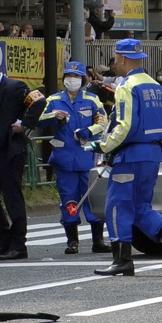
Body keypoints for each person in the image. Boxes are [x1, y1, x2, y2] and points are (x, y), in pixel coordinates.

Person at [89, 39, 162, 276]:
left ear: (123, 59)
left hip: (131, 155)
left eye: (115, 58)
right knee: (140, 206)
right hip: (153, 155)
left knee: (117, 205)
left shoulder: (127, 87)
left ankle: (122, 260)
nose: (114, 63)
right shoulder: (154, 85)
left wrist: (104, 146)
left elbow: (124, 126)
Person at [0, 53, 46, 260]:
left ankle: (18, 244)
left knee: (12, 197)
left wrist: (23, 123)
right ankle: (3, 238)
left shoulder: (15, 87)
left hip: (10, 150)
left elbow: (39, 101)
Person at [37, 62, 111, 254]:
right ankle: (72, 241)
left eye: (77, 77)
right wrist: (55, 116)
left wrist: (89, 130)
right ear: (64, 79)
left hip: (88, 158)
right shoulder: (53, 100)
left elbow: (103, 122)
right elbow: (38, 118)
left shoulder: (92, 99)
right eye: (70, 76)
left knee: (91, 198)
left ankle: (98, 240)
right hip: (64, 159)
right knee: (68, 198)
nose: (73, 80)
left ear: (83, 80)